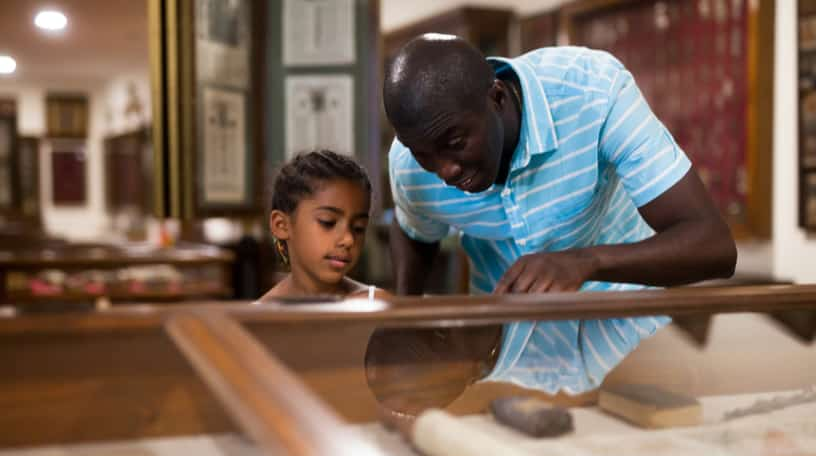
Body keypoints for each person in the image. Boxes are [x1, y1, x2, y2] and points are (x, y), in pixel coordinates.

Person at [367, 34, 737, 414]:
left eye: (456, 142)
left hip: (629, 348)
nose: (444, 170)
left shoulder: (593, 92)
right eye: (424, 155)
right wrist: (405, 316)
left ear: (496, 98)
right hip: (510, 368)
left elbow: (713, 246)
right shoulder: (411, 164)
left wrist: (583, 261)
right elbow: (414, 229)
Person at [257, 150, 389, 302]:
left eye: (358, 228)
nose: (348, 239)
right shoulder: (255, 319)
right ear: (282, 225)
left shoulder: (378, 305)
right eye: (328, 222)